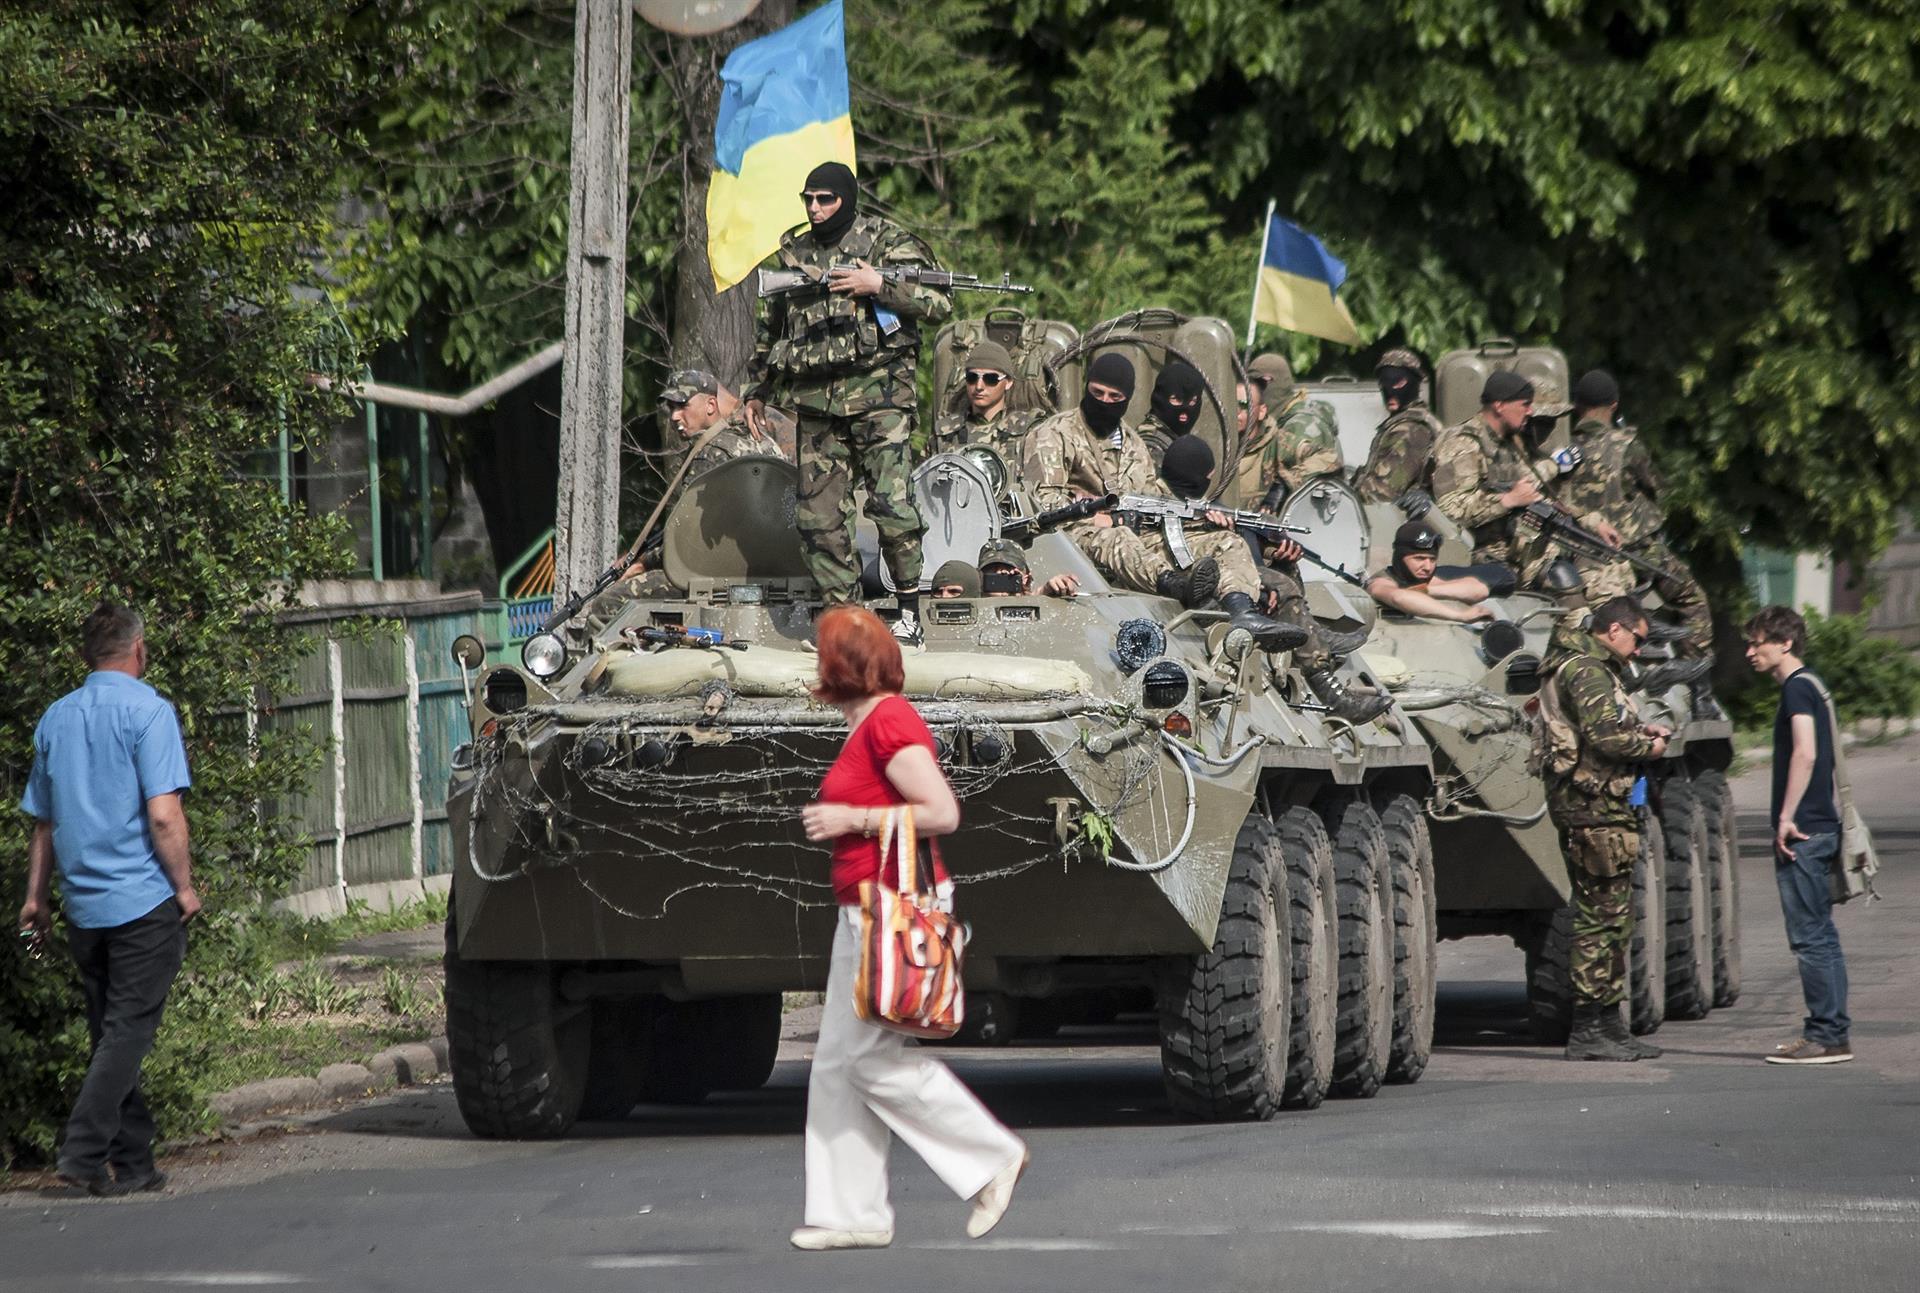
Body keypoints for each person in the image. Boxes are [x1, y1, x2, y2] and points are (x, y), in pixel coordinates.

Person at [794, 607, 1029, 1249]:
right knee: (839, 1064)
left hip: (890, 905)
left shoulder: (890, 720)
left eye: (823, 653)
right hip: (867, 905)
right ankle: (850, 1215)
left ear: (840, 665)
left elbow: (942, 812)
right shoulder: (866, 721)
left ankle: (990, 1157)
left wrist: (852, 819)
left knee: (866, 1060)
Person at [17, 603, 199, 1196]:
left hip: (84, 909)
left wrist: (35, 899)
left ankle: (135, 1163)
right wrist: (185, 888)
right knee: (126, 1035)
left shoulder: (56, 718)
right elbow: (164, 816)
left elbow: (42, 823)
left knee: (111, 1035)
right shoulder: (150, 712)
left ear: (85, 656)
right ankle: (81, 1153)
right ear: (139, 650)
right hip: (142, 903)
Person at [743, 161, 951, 640]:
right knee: (818, 518)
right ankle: (848, 622)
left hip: (880, 399)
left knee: (892, 508)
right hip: (817, 403)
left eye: (826, 199)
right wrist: (758, 390)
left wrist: (879, 286)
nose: (815, 209)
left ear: (846, 199)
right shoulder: (795, 254)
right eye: (809, 199)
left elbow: (940, 302)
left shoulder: (886, 242)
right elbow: (771, 329)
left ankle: (908, 613)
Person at [1020, 354, 1300, 649]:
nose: (1104, 401)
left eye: (1114, 396)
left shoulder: (1133, 444)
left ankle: (1242, 612)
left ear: (1127, 399)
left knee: (1227, 542)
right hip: (1074, 537)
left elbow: (1153, 498)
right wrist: (1098, 516)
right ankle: (1178, 586)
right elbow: (1043, 502)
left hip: (1139, 536)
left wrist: (1200, 517)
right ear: (1086, 388)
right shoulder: (1054, 434)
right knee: (1118, 536)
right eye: (1097, 393)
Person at [1541, 596, 1670, 1063]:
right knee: (1599, 920)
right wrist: (1650, 746)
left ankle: (1610, 1024)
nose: (1638, 649)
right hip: (1591, 807)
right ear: (1614, 629)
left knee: (1615, 917)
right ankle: (1589, 1029)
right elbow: (1607, 738)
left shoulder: (1591, 668)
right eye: (1638, 638)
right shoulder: (1587, 670)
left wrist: (1640, 728)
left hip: (1603, 806)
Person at [1745, 605, 1852, 1065]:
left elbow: (1805, 754)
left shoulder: (1796, 689)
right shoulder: (1813, 685)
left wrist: (1786, 817)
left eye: (1757, 642)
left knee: (1810, 938)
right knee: (1821, 935)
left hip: (1805, 832)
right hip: (1820, 828)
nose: (1750, 652)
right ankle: (1831, 1033)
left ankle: (1825, 1035)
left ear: (1784, 643)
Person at [1550, 370, 1713, 655]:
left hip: (1577, 554)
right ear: (1614, 404)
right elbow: (1656, 487)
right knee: (1691, 597)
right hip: (1631, 552)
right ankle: (1696, 678)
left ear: (1576, 406)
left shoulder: (1559, 450)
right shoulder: (1626, 446)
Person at [1431, 371, 1604, 567]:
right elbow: (1449, 510)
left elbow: (1537, 496)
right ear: (1499, 405)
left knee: (1594, 563)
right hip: (1477, 555)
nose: (1530, 412)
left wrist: (1592, 522)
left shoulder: (1508, 443)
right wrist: (1508, 500)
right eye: (1525, 405)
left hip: (1516, 549)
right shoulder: (1463, 443)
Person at [1245, 353, 1342, 507]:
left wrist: (1284, 485)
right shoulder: (1283, 417)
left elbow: (1327, 459)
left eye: (1260, 383)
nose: (1253, 391)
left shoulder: (1301, 425)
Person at [1367, 519, 1509, 623]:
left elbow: (1479, 590)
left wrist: (1424, 590)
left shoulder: (1423, 580)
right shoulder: (1380, 582)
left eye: (1432, 559)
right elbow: (1399, 597)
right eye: (1419, 558)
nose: (1428, 567)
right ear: (1401, 556)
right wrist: (1460, 616)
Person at [1356, 348, 1444, 504]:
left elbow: (1381, 493)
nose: (1389, 390)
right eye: (1384, 382)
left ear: (1414, 382)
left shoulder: (1412, 430)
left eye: (1398, 382)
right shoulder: (1403, 423)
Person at [664, 368, 788, 475]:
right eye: (671, 407)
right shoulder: (753, 439)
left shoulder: (708, 455)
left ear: (711, 405)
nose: (674, 416)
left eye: (682, 405)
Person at [931, 340, 1037, 458]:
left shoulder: (1028, 433)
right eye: (972, 378)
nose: (979, 386)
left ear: (1008, 382)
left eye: (990, 379)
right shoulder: (944, 435)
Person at [1138, 360, 1205, 463]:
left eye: (1192, 401)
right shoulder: (1150, 446)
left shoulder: (1176, 439)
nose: (1185, 409)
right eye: (1177, 400)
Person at [975, 538, 1080, 598]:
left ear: (1026, 578)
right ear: (980, 579)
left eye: (1009, 567)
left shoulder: (1037, 606)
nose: (1000, 572)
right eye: (992, 567)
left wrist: (1050, 591)